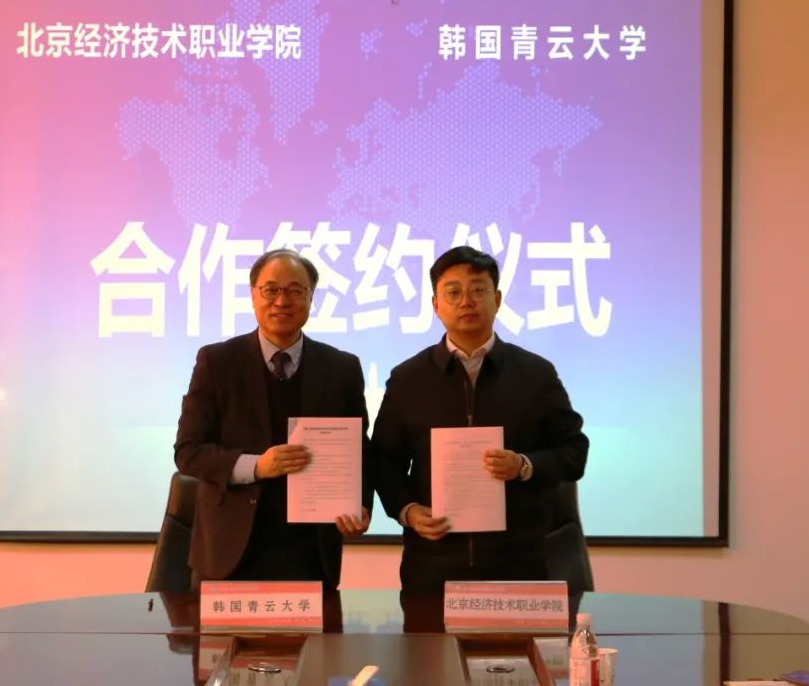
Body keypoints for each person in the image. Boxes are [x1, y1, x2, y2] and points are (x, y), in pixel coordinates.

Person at [371, 245, 588, 591]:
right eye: (453, 292)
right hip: (433, 566)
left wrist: (524, 465)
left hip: (519, 564)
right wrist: (408, 510)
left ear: (497, 299)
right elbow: (383, 461)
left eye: (478, 290)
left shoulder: (535, 374)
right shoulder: (408, 379)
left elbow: (574, 451)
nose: (466, 302)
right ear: (436, 305)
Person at [174, 248, 372, 590]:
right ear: (253, 295)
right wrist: (257, 466)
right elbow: (189, 452)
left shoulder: (341, 368)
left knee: (314, 629)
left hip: (312, 553)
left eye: (295, 290)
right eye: (271, 290)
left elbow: (360, 450)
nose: (282, 300)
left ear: (311, 297)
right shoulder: (217, 362)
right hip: (229, 553)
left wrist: (360, 505)